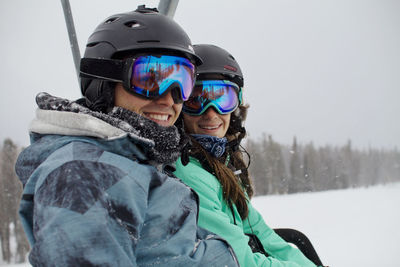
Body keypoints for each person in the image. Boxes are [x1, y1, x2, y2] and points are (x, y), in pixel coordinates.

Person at [15, 7, 239, 267]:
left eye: (182, 82)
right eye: (149, 79)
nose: (168, 98)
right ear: (103, 83)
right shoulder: (85, 172)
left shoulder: (135, 160)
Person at [174, 44, 320, 267]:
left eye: (222, 99)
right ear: (180, 107)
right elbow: (240, 261)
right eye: (196, 100)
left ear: (235, 106)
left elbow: (261, 232)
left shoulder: (220, 164)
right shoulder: (188, 173)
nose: (211, 112)